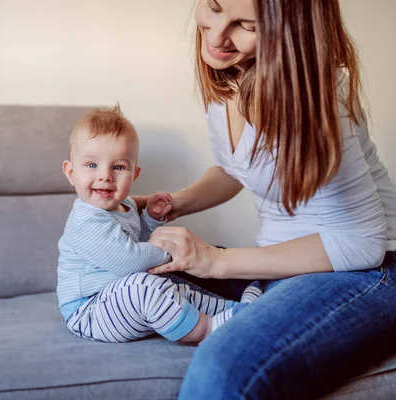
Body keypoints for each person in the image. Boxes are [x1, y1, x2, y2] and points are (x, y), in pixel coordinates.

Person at [133, 0, 396, 398]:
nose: (217, 34)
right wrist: (170, 202)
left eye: (245, 25)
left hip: (369, 270)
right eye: (214, 7)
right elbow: (234, 169)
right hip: (288, 263)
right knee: (137, 272)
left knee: (222, 369)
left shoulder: (318, 96)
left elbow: (362, 245)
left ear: (287, 33)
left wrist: (218, 261)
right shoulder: (229, 76)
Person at [56, 105, 261, 344]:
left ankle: (235, 310)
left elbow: (142, 241)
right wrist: (172, 251)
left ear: (134, 175)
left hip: (121, 299)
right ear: (71, 172)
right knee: (145, 286)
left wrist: (151, 219)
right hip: (90, 310)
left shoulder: (126, 206)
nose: (105, 176)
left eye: (118, 167)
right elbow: (130, 261)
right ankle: (207, 329)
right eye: (92, 165)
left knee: (172, 284)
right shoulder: (86, 221)